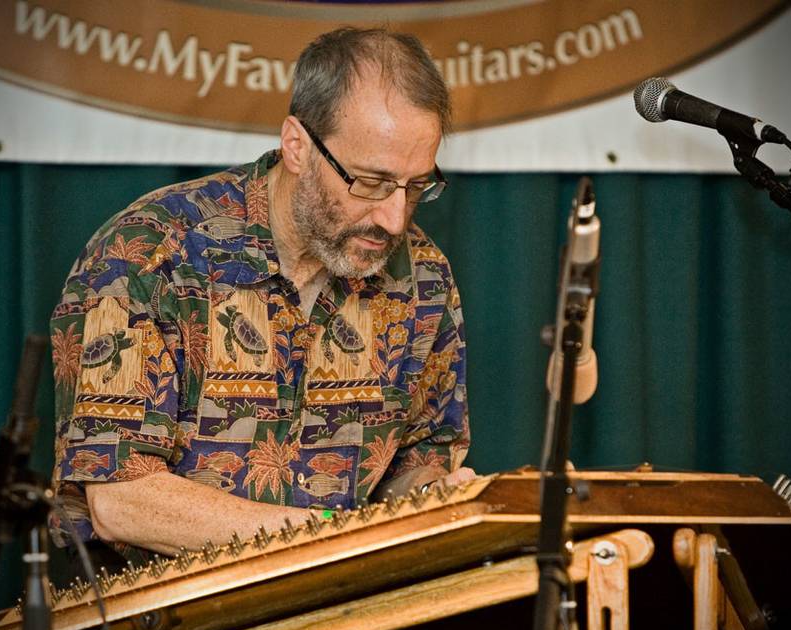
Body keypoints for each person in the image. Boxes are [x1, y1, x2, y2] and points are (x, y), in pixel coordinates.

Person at [49, 27, 473, 561]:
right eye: (370, 182)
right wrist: (317, 537)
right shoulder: (150, 254)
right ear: (297, 146)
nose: (393, 219)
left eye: (416, 187)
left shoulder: (422, 277)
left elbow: (416, 458)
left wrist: (431, 494)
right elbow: (119, 497)